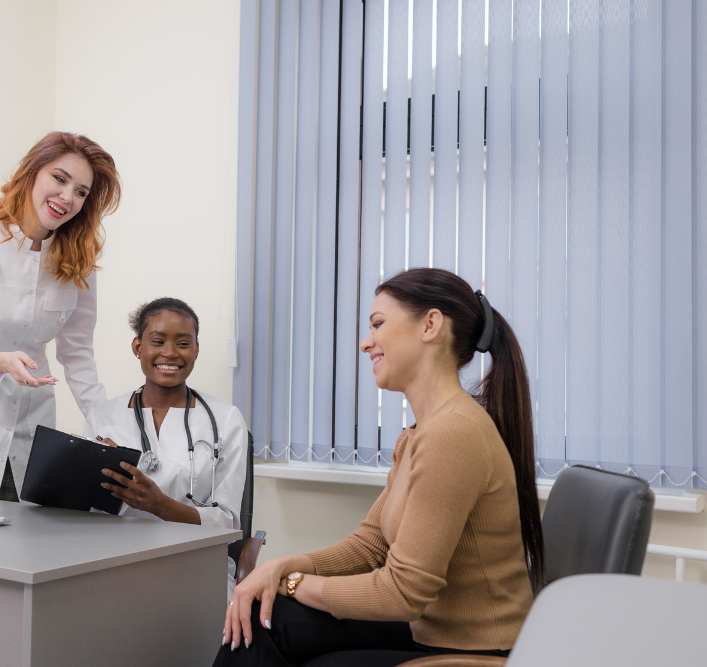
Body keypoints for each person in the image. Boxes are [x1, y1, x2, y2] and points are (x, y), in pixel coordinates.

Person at [216, 268, 542, 667]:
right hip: (431, 629)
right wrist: (283, 565)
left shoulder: (454, 434)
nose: (365, 342)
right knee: (265, 618)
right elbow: (371, 546)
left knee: (276, 620)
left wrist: (291, 583)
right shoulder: (422, 433)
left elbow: (402, 591)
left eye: (378, 324)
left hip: (473, 649)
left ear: (430, 325)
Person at [0, 132, 121, 500]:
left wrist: (108, 429)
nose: (67, 198)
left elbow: (77, 354)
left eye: (82, 192)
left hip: (32, 434)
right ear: (32, 172)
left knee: (26, 546)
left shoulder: (78, 261)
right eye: (60, 178)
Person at [83, 298, 248, 600]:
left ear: (196, 349)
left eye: (183, 343)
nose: (169, 353)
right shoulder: (102, 417)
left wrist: (160, 505)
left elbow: (228, 522)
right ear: (138, 348)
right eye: (157, 341)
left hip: (196, 564)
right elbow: (91, 512)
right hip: (117, 562)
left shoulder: (226, 419)